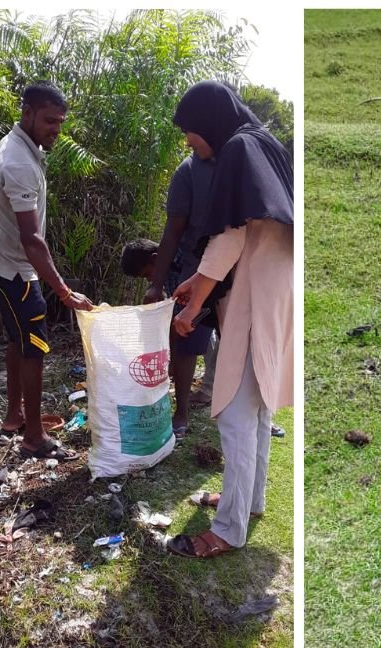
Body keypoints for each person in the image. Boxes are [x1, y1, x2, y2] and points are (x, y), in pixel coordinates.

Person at [166, 81, 294, 560]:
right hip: (274, 293)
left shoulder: (238, 148)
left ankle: (228, 529)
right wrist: (199, 283)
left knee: (237, 416)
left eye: (192, 134)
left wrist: (194, 303)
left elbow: (231, 237)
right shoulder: (266, 143)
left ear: (210, 122)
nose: (190, 144)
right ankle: (250, 501)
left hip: (254, 299)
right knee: (257, 408)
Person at [0, 81, 94, 460]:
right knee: (36, 347)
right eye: (49, 121)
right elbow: (32, 240)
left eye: (60, 122)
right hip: (13, 270)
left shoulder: (20, 146)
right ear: (27, 113)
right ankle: (34, 437)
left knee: (18, 340)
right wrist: (63, 291)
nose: (56, 130)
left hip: (4, 262)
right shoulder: (18, 162)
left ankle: (15, 417)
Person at [121, 231, 219, 440]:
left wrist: (173, 351)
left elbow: (188, 313)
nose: (149, 280)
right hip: (196, 307)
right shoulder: (166, 270)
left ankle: (182, 413)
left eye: (147, 275)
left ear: (156, 260)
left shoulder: (186, 256)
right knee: (182, 343)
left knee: (186, 346)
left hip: (214, 300)